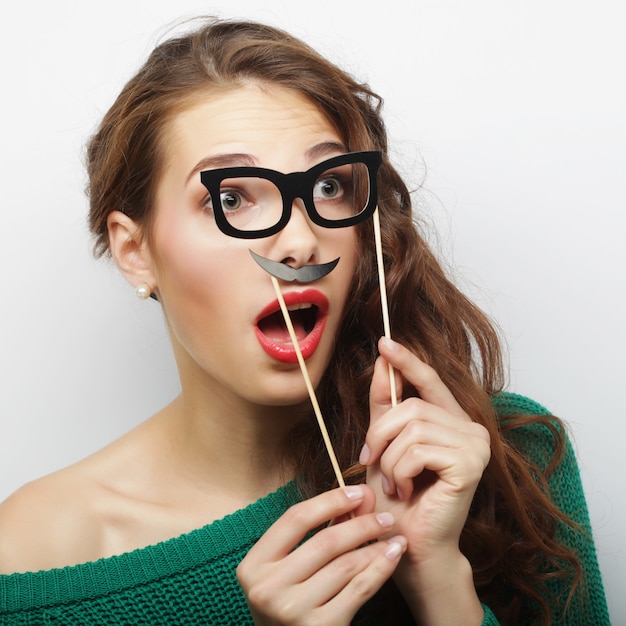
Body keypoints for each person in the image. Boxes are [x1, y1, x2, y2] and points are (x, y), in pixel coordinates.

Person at [0, 18, 610, 626]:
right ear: (136, 252)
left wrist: (439, 581)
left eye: (327, 186)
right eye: (231, 198)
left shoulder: (498, 461)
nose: (298, 241)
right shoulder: (31, 556)